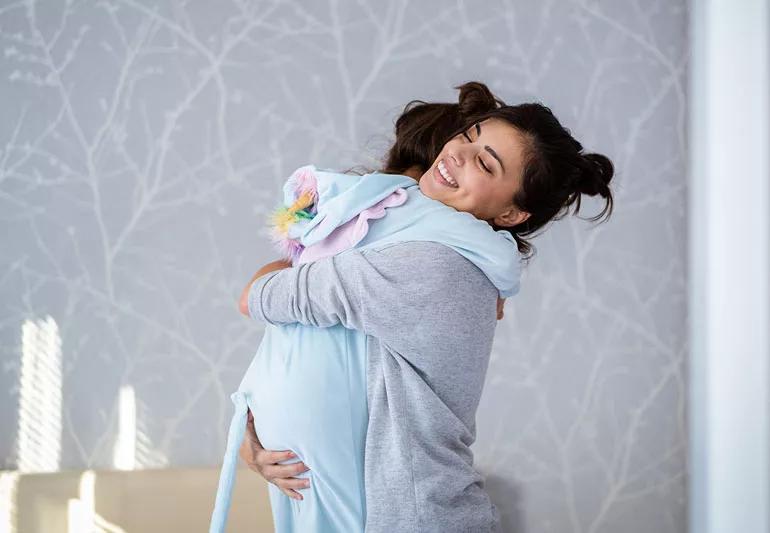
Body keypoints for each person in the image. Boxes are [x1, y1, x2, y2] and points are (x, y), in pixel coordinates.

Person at [234, 83, 615, 532]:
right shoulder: (431, 247)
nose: (458, 154)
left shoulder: (440, 266)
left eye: (485, 163)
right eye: (468, 137)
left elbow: (259, 296)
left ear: (512, 214)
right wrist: (254, 436)